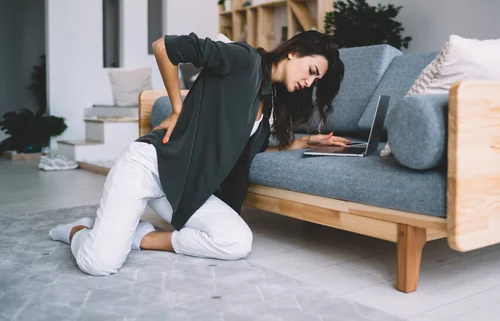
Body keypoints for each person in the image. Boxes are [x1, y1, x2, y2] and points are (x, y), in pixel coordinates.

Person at [49, 30, 347, 276]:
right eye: (311, 71)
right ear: (293, 52)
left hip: (184, 187)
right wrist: (178, 108)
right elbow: (164, 47)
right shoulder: (244, 59)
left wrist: (308, 143)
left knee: (237, 242)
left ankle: (140, 237)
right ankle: (78, 230)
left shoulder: (268, 102)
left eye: (315, 81)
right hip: (150, 165)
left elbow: (255, 148)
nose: (309, 82)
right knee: (99, 264)